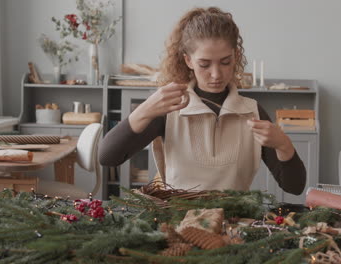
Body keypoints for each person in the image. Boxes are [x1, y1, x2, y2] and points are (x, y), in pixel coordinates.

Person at [99, 7, 306, 194]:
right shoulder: (170, 108)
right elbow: (108, 158)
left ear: (235, 56)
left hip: (234, 226)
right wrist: (144, 110)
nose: (216, 74)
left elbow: (294, 187)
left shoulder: (251, 111)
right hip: (177, 224)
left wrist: (283, 144)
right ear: (188, 60)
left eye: (225, 62)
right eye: (205, 64)